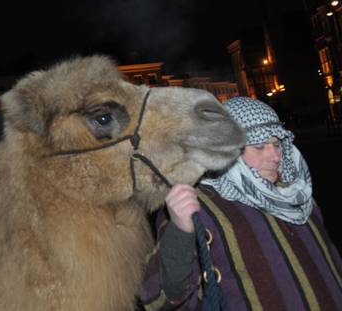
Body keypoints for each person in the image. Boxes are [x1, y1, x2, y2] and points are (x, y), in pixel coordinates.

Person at [140, 96, 342, 310]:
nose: (275, 156)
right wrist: (180, 231)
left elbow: (331, 261)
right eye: (259, 146)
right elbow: (160, 296)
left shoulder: (296, 196)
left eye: (276, 144)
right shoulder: (199, 206)